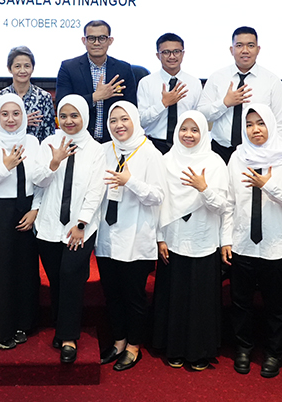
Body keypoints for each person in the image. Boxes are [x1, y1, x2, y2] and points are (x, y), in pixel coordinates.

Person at [221, 104, 282, 378]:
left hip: (276, 246)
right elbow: (229, 203)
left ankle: (274, 352)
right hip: (243, 243)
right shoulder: (237, 157)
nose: (255, 129)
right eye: (249, 124)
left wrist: (268, 185)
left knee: (275, 305)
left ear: (271, 125)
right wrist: (226, 240)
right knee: (240, 302)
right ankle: (243, 348)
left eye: (260, 123)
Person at [32, 95, 107, 364]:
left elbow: (97, 190)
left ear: (84, 116)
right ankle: (60, 325)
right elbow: (37, 180)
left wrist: (82, 223)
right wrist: (54, 163)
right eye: (63, 116)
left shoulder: (96, 150)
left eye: (74, 115)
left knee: (71, 276)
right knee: (56, 279)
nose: (68, 121)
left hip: (80, 227)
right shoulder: (48, 144)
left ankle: (68, 338)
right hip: (50, 224)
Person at [152, 110, 228, 372]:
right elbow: (158, 204)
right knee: (175, 297)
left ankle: (199, 351)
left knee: (200, 300)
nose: (188, 135)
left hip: (203, 238)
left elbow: (223, 206)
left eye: (195, 130)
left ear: (204, 133)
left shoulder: (215, 163)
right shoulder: (166, 161)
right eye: (184, 129)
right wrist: (160, 238)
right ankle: (174, 348)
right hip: (173, 239)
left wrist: (203, 188)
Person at [96, 102, 164, 372]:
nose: (119, 125)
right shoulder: (104, 150)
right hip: (107, 235)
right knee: (112, 294)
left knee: (133, 296)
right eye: (113, 120)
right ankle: (119, 341)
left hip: (136, 236)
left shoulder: (150, 153)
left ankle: (134, 346)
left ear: (135, 119)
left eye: (124, 119)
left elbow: (158, 195)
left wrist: (130, 182)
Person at [0, 93, 43, 349]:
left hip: (27, 210)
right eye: (4, 114)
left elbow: (41, 181)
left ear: (23, 115)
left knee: (25, 270)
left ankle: (23, 323)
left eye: (16, 113)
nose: (10, 119)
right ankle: (0, 331)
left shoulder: (33, 142)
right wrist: (5, 168)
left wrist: (35, 210)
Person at [198, 26, 282, 164]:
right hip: (220, 151)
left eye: (250, 45)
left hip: (259, 152)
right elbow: (202, 114)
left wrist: (276, 156)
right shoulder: (217, 78)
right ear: (231, 50)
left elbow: (281, 123)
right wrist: (225, 103)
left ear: (258, 49)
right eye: (239, 45)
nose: (245, 50)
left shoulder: (272, 81)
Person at [55, 20, 139, 142]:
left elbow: (131, 108)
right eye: (91, 38)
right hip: (79, 139)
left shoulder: (123, 69)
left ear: (110, 40)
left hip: (114, 139)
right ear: (84, 40)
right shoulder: (69, 67)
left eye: (102, 38)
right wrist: (94, 97)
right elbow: (62, 104)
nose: (96, 43)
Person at [137, 33, 204, 154]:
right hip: (154, 144)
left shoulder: (194, 83)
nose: (172, 56)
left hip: (186, 144)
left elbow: (199, 118)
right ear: (158, 55)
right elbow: (141, 121)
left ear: (183, 54)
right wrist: (163, 104)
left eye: (176, 51)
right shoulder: (146, 83)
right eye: (166, 52)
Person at [0, 46, 56, 143]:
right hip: (4, 150)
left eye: (27, 66)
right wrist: (21, 123)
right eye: (17, 66)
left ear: (33, 68)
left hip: (34, 150)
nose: (22, 70)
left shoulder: (44, 97)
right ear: (9, 69)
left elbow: (49, 135)